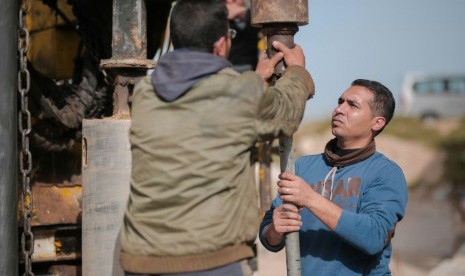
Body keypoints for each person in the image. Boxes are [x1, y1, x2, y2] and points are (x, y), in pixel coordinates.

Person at [119, 0, 315, 275]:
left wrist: (254, 82)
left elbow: (205, 113)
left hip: (140, 258)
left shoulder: (145, 95)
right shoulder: (239, 94)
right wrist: (297, 72)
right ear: (221, 45)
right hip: (211, 261)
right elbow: (286, 113)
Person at [259, 79, 408, 275]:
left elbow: (374, 238)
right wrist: (275, 231)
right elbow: (268, 235)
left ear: (377, 122)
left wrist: (311, 199)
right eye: (340, 102)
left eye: (352, 105)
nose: (339, 109)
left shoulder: (385, 172)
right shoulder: (302, 167)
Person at [225, 0, 260, 72]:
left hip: (250, 68)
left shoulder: (253, 12)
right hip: (224, 68)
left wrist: (244, 13)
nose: (229, 1)